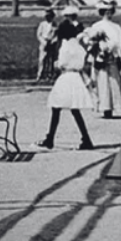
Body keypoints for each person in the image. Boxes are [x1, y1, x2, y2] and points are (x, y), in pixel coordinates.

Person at [38, 20, 95, 150]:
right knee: (75, 110)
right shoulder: (79, 47)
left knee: (56, 107)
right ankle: (86, 138)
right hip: (76, 77)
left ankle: (50, 139)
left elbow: (62, 63)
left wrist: (57, 64)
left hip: (66, 77)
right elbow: (81, 63)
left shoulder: (65, 46)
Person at [83, 0, 121, 118]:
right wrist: (98, 45)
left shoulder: (116, 27)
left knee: (114, 81)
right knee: (102, 82)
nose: (108, 13)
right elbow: (89, 41)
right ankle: (105, 108)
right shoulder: (97, 26)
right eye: (106, 11)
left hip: (112, 55)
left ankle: (114, 106)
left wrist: (113, 49)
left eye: (110, 11)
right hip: (100, 57)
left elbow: (119, 43)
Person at [35, 8, 58, 82]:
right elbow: (39, 34)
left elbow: (56, 35)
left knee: (51, 60)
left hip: (51, 43)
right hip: (44, 43)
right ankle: (40, 74)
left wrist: (53, 41)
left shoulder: (54, 24)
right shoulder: (42, 24)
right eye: (47, 16)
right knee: (42, 59)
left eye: (50, 16)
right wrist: (43, 41)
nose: (48, 18)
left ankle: (50, 74)